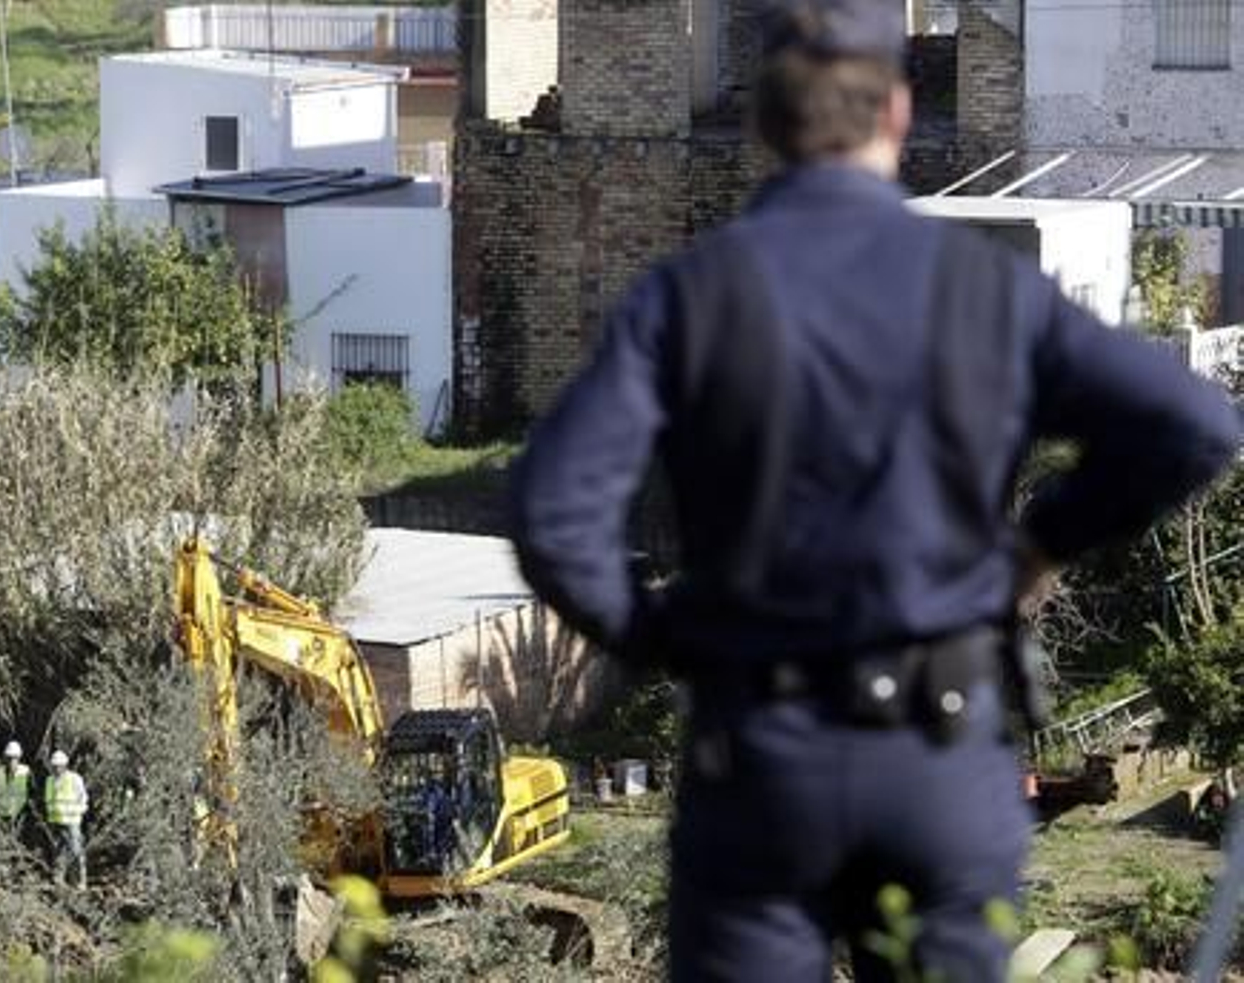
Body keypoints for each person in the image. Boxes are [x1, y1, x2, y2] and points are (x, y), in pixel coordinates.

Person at [507, 0, 1242, 978]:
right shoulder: (978, 287)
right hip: (938, 756)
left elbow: (551, 510)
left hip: (760, 758)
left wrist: (661, 636)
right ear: (897, 109)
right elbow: (1191, 424)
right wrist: (1040, 540)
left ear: (764, 123)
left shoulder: (691, 295)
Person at [44, 749, 89, 890]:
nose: (56, 769)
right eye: (54, 766)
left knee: (76, 851)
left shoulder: (74, 779)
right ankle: (58, 879)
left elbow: (83, 798)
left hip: (72, 821)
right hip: (56, 821)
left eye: (59, 766)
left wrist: (78, 812)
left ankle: (79, 881)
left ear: (65, 765)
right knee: (59, 851)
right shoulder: (50, 780)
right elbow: (49, 801)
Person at [0, 740, 31, 825]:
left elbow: (31, 794)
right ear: (5, 759)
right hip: (2, 817)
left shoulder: (25, 772)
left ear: (19, 758)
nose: (12, 762)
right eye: (9, 758)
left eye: (14, 758)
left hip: (21, 818)